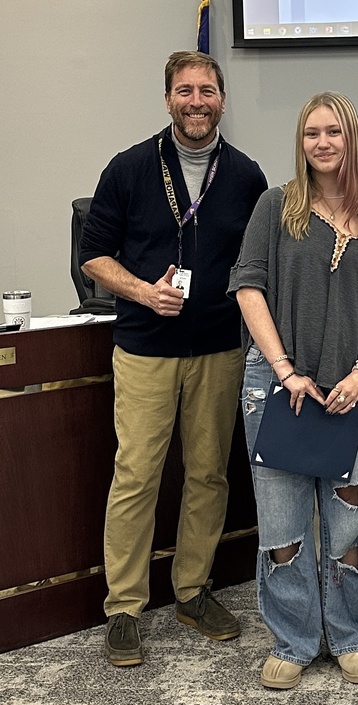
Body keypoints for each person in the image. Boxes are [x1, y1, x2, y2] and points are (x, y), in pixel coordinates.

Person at [79, 51, 268, 667]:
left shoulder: (245, 176)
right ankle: (124, 607)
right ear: (168, 99)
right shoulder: (130, 167)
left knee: (209, 474)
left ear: (220, 100)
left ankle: (192, 590)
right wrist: (140, 290)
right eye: (184, 91)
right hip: (144, 347)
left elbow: (258, 262)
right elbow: (94, 256)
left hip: (218, 346)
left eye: (208, 91)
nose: (196, 101)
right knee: (137, 474)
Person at [229, 92, 358, 689]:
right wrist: (283, 368)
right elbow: (248, 287)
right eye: (311, 134)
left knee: (349, 521)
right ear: (301, 143)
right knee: (281, 527)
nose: (323, 143)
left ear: (351, 140)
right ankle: (294, 638)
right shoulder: (276, 206)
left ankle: (353, 634)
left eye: (334, 133)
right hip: (279, 386)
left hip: (352, 388)